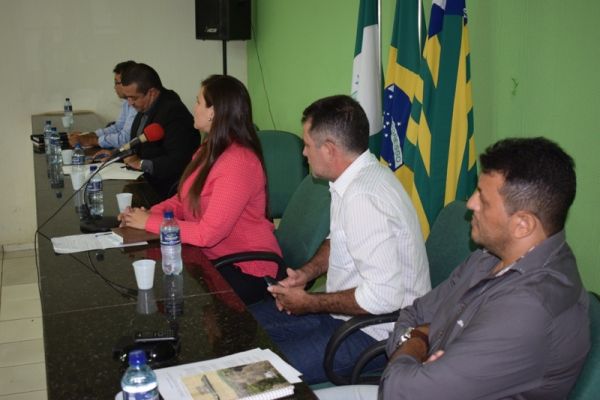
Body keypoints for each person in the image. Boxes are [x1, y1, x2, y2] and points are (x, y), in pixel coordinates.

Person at [315, 137, 590, 400]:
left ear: (523, 225)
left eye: (483, 199)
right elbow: (413, 313)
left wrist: (417, 340)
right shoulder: (489, 258)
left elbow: (400, 393)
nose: (470, 204)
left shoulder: (530, 308)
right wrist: (419, 339)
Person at [250, 95, 430, 384]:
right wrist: (306, 274)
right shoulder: (355, 178)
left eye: (307, 145)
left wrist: (310, 302)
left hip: (375, 334)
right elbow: (337, 240)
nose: (304, 153)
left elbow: (383, 297)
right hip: (347, 317)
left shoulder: (363, 197)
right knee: (244, 328)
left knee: (254, 373)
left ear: (329, 149)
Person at [119, 74, 282, 305]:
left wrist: (150, 223)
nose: (194, 107)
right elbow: (182, 200)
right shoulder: (207, 150)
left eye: (198, 101)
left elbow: (208, 234)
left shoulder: (238, 162)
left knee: (170, 295)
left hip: (245, 268)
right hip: (212, 257)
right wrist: (145, 214)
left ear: (213, 112)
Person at [119, 63, 200, 205]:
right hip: (145, 182)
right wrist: (116, 155)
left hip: (166, 191)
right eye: (127, 98)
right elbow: (138, 145)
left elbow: (180, 160)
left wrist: (141, 164)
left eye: (134, 98)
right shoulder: (145, 107)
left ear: (152, 93)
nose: (130, 103)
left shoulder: (174, 112)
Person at [67, 60, 137, 151]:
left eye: (117, 83)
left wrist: (91, 140)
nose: (114, 87)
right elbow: (118, 127)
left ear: (128, 83)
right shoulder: (126, 102)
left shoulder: (137, 104)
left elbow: (124, 139)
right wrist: (90, 135)